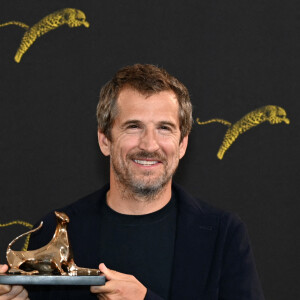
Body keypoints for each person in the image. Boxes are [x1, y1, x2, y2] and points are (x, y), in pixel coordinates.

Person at [0, 64, 265, 300]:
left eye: (164, 128)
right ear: (105, 140)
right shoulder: (53, 231)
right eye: (133, 126)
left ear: (182, 144)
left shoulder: (224, 235)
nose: (149, 145)